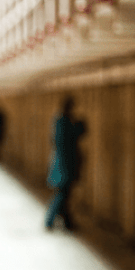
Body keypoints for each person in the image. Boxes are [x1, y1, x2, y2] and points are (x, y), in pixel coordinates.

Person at [45, 97, 85, 230]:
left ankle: (67, 223)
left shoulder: (59, 122)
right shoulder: (64, 123)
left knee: (63, 195)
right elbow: (72, 137)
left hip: (61, 164)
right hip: (64, 166)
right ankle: (50, 221)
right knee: (62, 194)